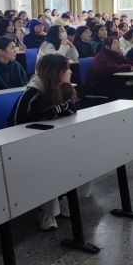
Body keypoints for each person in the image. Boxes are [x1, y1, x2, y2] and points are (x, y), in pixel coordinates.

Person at [9, 54, 78, 230]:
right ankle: (47, 212)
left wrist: (58, 109)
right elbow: (18, 121)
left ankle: (64, 198)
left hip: (52, 139)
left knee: (76, 156)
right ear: (55, 72)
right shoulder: (32, 92)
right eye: (66, 69)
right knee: (52, 164)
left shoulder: (64, 87)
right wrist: (56, 110)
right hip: (26, 144)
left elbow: (72, 108)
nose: (70, 72)